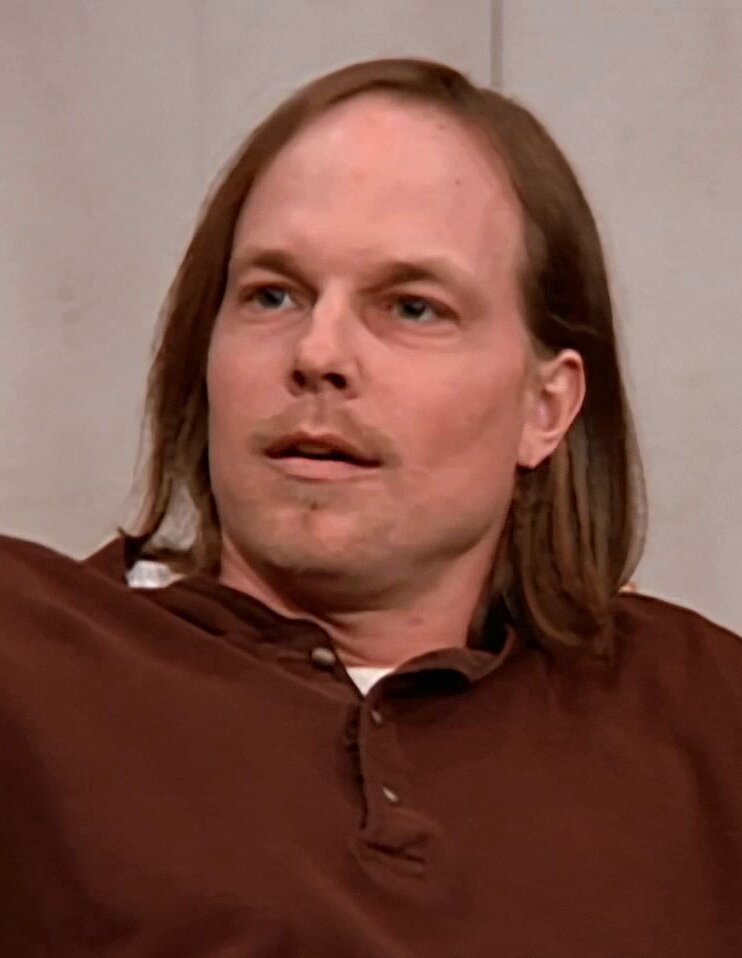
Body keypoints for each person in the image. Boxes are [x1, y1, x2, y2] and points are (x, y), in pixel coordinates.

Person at [1, 57, 740, 957]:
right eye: (273, 295)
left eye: (413, 308)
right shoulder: (30, 659)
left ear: (545, 408)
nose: (318, 353)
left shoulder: (703, 717)